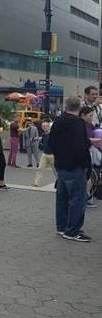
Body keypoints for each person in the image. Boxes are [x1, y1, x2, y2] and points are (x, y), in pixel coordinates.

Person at [49, 96, 92, 242]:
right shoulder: (77, 123)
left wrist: (57, 156)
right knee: (77, 199)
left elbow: (51, 142)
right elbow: (80, 146)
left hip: (61, 165)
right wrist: (85, 163)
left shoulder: (58, 121)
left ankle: (62, 227)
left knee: (62, 198)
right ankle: (72, 231)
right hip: (75, 166)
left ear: (66, 106)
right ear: (79, 107)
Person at [79, 106, 99, 208]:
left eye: (92, 115)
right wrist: (98, 140)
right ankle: (85, 198)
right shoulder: (80, 125)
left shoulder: (90, 125)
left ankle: (86, 198)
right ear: (83, 115)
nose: (92, 117)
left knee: (91, 177)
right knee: (88, 177)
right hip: (85, 154)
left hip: (91, 152)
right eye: (90, 115)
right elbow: (85, 140)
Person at [34, 117, 56, 187]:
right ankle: (36, 183)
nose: (44, 127)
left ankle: (59, 183)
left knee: (55, 171)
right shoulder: (43, 134)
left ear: (49, 126)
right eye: (43, 126)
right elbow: (42, 143)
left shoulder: (53, 134)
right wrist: (39, 139)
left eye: (46, 126)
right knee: (40, 168)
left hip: (53, 155)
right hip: (45, 154)